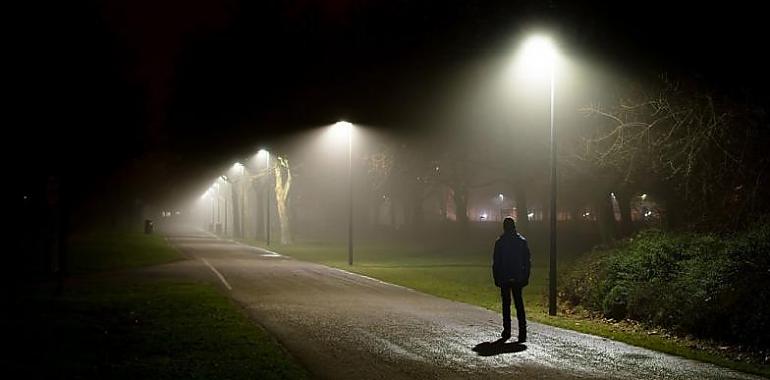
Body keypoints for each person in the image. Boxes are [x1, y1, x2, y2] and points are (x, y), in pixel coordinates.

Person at [492, 217, 531, 342]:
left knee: (506, 304)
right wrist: (526, 275)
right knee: (519, 303)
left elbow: (496, 262)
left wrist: (496, 276)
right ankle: (522, 330)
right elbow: (527, 261)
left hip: (504, 276)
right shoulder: (522, 241)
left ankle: (507, 329)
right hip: (518, 276)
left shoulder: (500, 242)